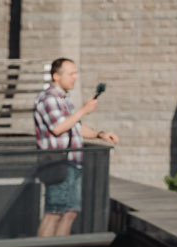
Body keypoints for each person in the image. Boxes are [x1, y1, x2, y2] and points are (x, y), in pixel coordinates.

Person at [31, 58, 118, 237]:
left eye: (76, 73)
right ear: (56, 76)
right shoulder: (48, 98)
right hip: (57, 163)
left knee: (70, 212)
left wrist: (100, 134)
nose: (75, 78)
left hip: (73, 163)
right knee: (54, 212)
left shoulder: (64, 100)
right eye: (71, 74)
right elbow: (58, 128)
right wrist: (83, 110)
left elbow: (74, 126)